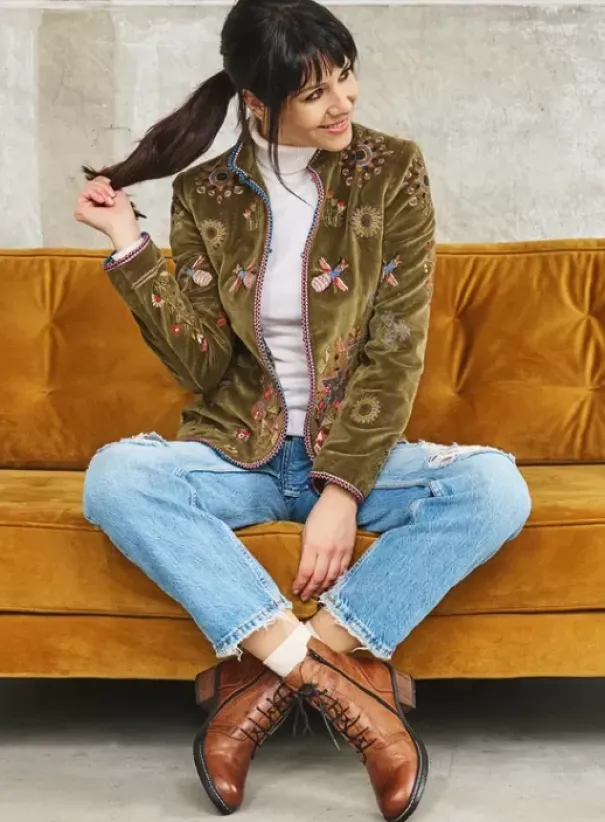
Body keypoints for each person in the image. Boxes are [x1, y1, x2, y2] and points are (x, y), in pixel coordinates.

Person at [74, 0, 531, 818]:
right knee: (116, 478)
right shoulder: (206, 192)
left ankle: (263, 685)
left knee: (495, 488)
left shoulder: (390, 170)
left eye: (345, 77)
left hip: (354, 452)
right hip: (239, 454)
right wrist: (128, 247)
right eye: (315, 92)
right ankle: (342, 688)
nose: (342, 102)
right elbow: (203, 363)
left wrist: (342, 489)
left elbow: (395, 347)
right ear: (258, 101)